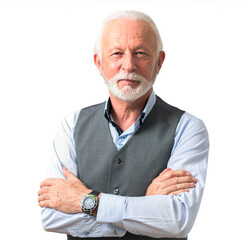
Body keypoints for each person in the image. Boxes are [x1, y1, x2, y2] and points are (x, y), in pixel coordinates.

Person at [37, 10, 209, 239]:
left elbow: (177, 219)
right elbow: (51, 215)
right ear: (99, 63)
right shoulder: (72, 125)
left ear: (159, 61)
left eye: (140, 53)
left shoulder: (187, 129)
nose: (128, 65)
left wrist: (83, 201)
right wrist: (145, 209)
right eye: (117, 53)